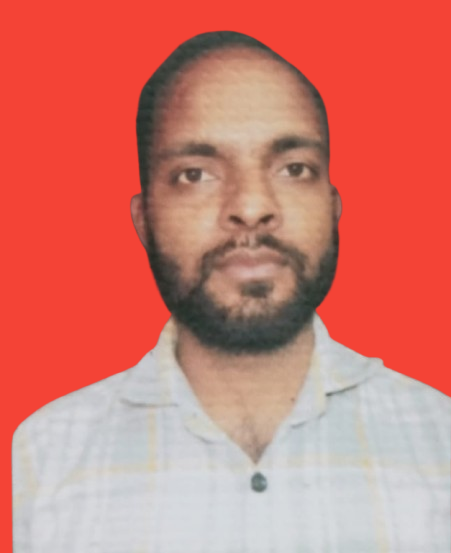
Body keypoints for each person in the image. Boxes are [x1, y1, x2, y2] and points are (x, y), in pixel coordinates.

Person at [12, 31, 450, 553]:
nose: (251, 206)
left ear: (333, 207)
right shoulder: (44, 458)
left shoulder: (440, 442)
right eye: (195, 174)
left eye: (293, 169)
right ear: (143, 220)